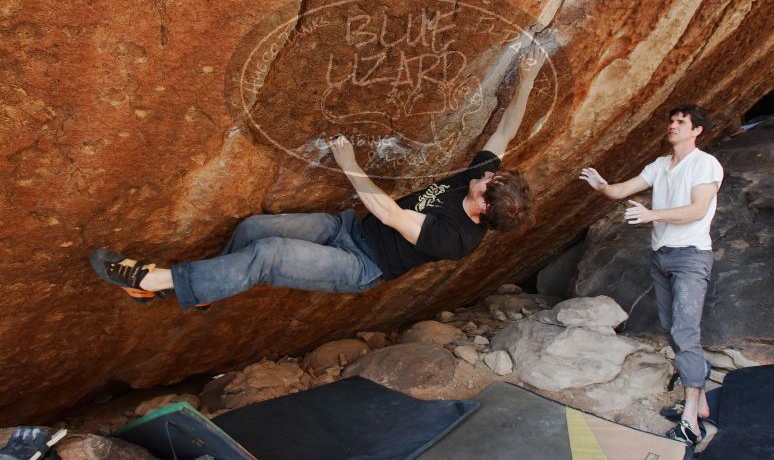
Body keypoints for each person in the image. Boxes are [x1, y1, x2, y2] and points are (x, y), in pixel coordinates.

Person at [90, 47, 544, 310]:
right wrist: (527, 78)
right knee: (252, 229)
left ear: (484, 208)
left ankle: (149, 282)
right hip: (346, 229)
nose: (487, 176)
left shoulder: (456, 239)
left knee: (268, 253)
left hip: (362, 265)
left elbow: (388, 211)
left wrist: (348, 160)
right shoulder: (483, 181)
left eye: (490, 183)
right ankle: (209, 287)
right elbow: (506, 130)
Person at [579, 104, 724, 447]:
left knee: (684, 331)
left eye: (680, 122)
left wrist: (651, 214)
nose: (672, 126)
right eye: (671, 121)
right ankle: (700, 401)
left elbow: (697, 210)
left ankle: (691, 422)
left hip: (691, 257)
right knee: (671, 329)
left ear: (697, 130)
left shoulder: (706, 164)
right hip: (662, 257)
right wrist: (602, 186)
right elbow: (619, 190)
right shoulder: (660, 165)